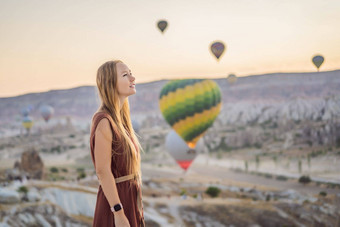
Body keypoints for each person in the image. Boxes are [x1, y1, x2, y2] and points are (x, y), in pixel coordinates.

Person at [89, 60, 145, 227]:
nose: (132, 78)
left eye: (131, 73)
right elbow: (103, 171)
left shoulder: (121, 121)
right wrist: (119, 213)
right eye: (125, 75)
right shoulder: (104, 121)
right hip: (116, 204)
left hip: (129, 201)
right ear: (110, 83)